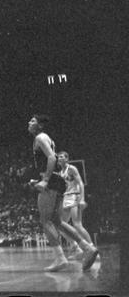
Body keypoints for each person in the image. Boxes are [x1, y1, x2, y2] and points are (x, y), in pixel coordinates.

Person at [27, 114, 99, 271]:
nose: (29, 122)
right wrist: (40, 179)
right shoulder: (46, 138)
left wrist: (45, 180)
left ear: (40, 125)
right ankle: (87, 248)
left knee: (45, 221)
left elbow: (52, 158)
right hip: (57, 181)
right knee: (58, 222)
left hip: (52, 182)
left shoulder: (40, 137)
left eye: (32, 121)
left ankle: (60, 259)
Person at [56, 151, 94, 260]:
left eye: (62, 157)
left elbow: (80, 183)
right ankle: (76, 247)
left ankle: (92, 248)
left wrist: (82, 198)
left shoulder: (72, 168)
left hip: (74, 196)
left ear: (67, 159)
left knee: (77, 225)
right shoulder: (60, 172)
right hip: (65, 198)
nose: (59, 158)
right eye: (58, 157)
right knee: (60, 226)